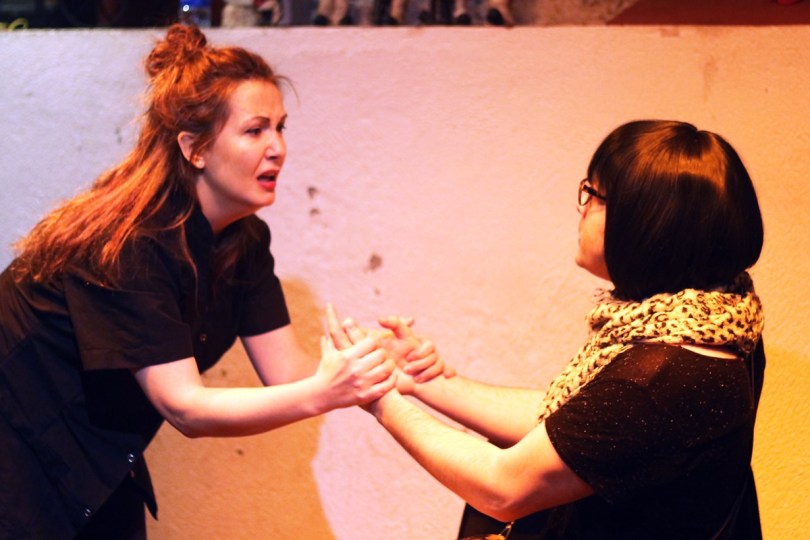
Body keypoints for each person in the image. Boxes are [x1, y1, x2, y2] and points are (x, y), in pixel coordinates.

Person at [0, 23, 444, 539]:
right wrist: (327, 391)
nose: (277, 148)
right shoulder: (133, 242)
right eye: (255, 131)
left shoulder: (244, 241)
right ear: (195, 149)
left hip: (91, 461)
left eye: (280, 128)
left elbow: (289, 373)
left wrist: (382, 366)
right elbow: (185, 407)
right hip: (15, 444)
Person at [330, 120, 766, 539]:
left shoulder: (662, 377)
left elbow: (502, 487)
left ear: (647, 224)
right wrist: (423, 382)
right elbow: (577, 425)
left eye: (595, 195)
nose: (581, 207)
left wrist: (380, 399)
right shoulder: (717, 323)